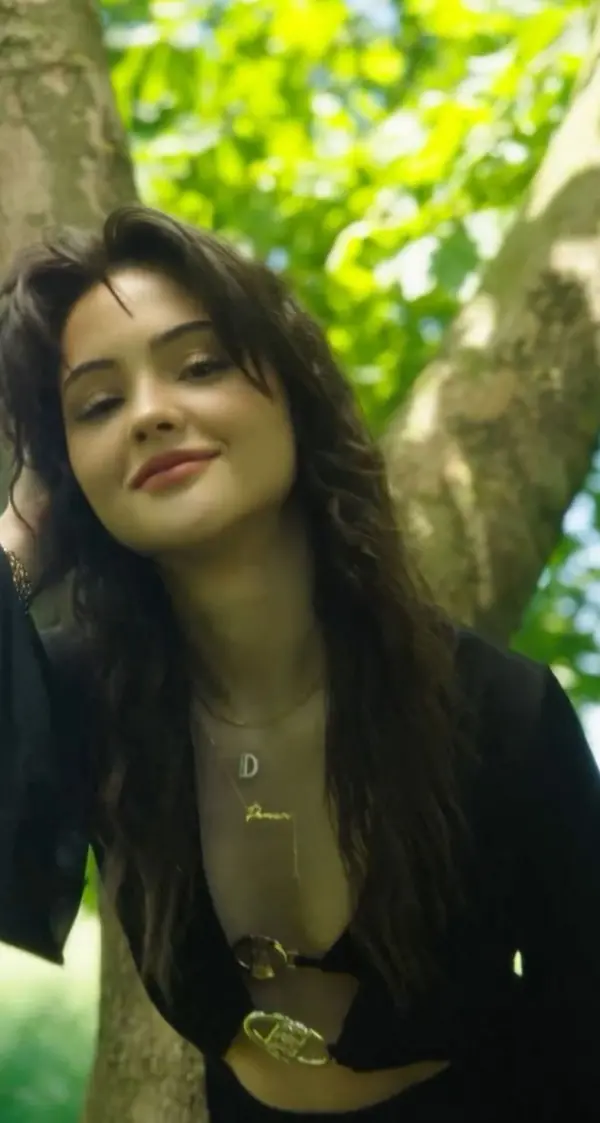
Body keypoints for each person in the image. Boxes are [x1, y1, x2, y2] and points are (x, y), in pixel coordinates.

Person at [0, 204, 598, 1123]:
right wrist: (18, 541)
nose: (151, 413)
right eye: (98, 405)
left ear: (294, 395)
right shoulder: (90, 703)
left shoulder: (501, 711)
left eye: (200, 365)